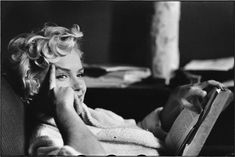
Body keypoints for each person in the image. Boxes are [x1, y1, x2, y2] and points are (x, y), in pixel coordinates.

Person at [6, 24, 224, 156]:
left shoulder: (92, 114)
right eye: (62, 76)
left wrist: (173, 104)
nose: (78, 85)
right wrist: (63, 109)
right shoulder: (44, 138)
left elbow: (136, 129)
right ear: (32, 86)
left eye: (80, 74)